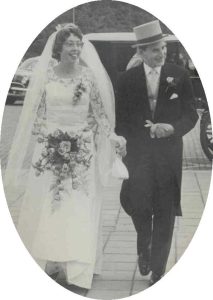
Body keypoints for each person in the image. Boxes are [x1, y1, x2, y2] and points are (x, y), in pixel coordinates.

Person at [3, 23, 126, 291]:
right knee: (50, 207)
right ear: (59, 47)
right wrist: (44, 142)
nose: (75, 49)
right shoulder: (46, 76)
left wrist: (112, 136)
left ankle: (78, 268)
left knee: (78, 209)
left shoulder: (89, 78)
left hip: (82, 151)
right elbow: (36, 116)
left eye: (78, 45)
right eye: (70, 44)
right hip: (49, 152)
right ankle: (51, 262)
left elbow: (99, 115)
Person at [115, 20, 198, 286]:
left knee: (165, 210)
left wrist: (172, 128)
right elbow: (121, 120)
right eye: (153, 49)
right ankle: (144, 242)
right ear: (141, 52)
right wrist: (126, 141)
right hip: (138, 156)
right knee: (136, 204)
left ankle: (159, 270)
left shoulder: (179, 75)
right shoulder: (126, 80)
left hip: (168, 155)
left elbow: (191, 114)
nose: (160, 53)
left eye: (162, 47)